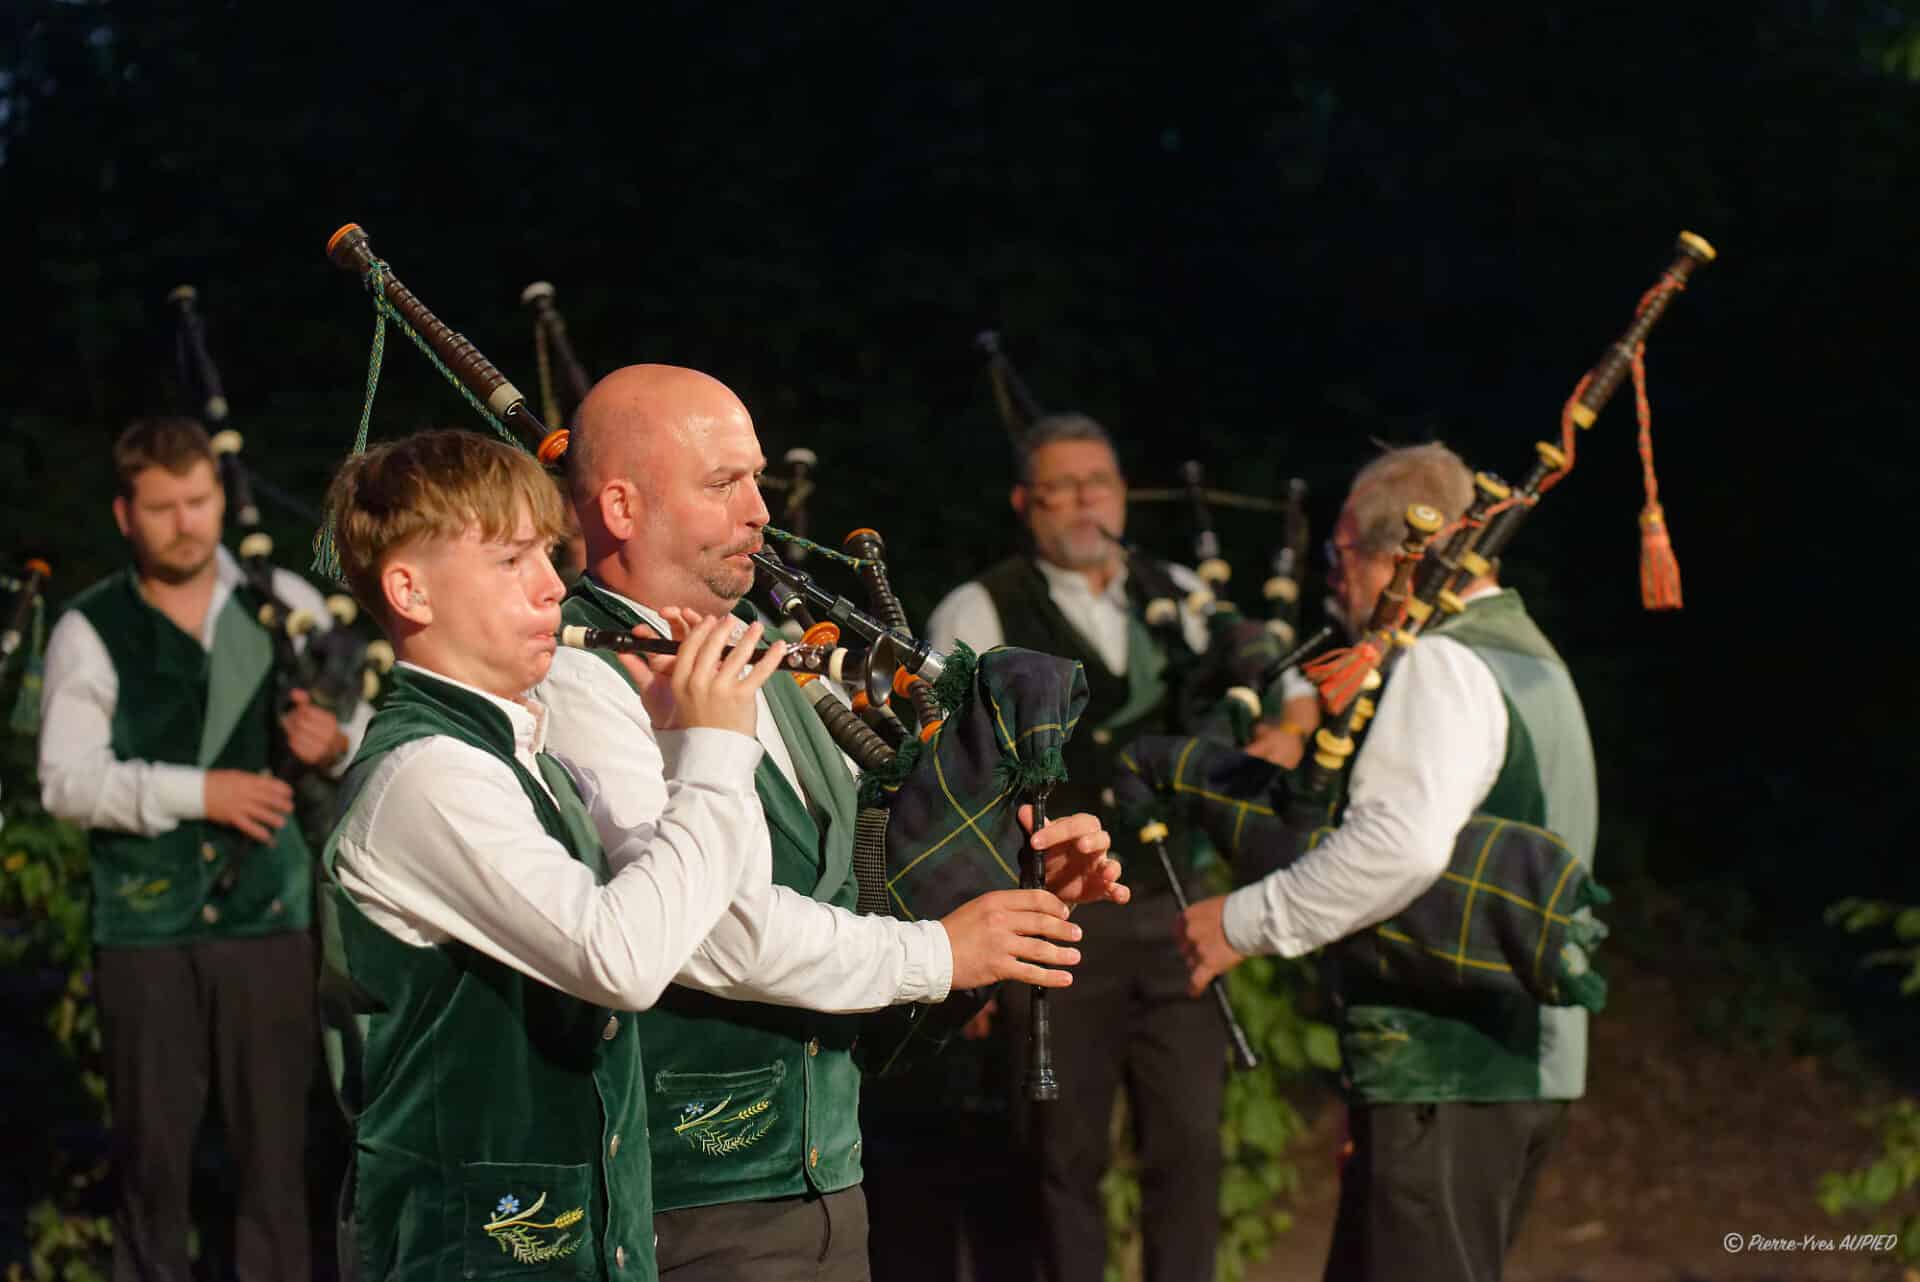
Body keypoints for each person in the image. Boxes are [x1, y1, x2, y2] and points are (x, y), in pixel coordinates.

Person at [540, 364, 1128, 1282]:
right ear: (619, 506)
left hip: (830, 1176)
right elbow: (710, 932)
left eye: (759, 480)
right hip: (683, 1200)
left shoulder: (762, 663)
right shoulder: (575, 681)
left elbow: (860, 877)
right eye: (722, 482)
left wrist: (1011, 883)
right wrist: (942, 953)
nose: (759, 511)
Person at [1177, 442, 1599, 1282]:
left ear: (1390, 555)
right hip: (1514, 1064)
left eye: (1338, 560)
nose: (1336, 585)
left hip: (1450, 1066)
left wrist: (1239, 921)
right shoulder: (1528, 654)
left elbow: (1398, 847)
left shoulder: (1446, 663)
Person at [922, 412, 1312, 1282]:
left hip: (1181, 910)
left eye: (1098, 484)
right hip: (1055, 922)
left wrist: (1277, 743)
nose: (1083, 505)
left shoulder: (1177, 591)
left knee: (1191, 1147)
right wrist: (964, 932)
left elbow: (1284, 685)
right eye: (1059, 490)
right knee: (1058, 1158)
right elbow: (945, 782)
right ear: (1026, 504)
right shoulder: (982, 607)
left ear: (1123, 493)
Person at [39, 416, 368, 1282]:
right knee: (152, 1167)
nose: (186, 523)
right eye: (162, 507)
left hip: (270, 921)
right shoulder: (91, 626)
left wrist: (333, 743)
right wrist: (201, 792)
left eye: (199, 501)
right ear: (125, 515)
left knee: (279, 1166)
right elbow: (65, 782)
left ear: (221, 499)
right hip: (146, 931)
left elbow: (371, 732)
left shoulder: (287, 603)